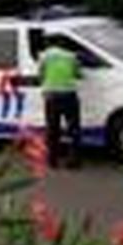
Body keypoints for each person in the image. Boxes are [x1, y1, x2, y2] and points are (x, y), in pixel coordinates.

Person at [37, 34, 82, 168]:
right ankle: (73, 161)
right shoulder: (71, 56)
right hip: (69, 94)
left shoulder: (44, 56)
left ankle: (52, 161)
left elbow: (41, 74)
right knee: (73, 128)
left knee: (52, 128)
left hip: (51, 95)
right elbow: (77, 74)